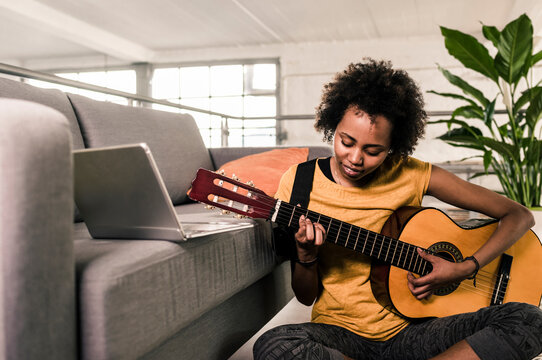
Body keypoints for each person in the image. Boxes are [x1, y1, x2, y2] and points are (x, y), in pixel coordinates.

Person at [253, 59, 542, 360]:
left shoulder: (412, 173)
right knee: (276, 345)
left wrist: (465, 266)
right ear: (332, 126)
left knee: (531, 320)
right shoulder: (299, 183)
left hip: (417, 332)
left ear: (393, 145)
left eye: (373, 150)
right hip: (342, 334)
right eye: (346, 141)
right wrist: (307, 257)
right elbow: (305, 296)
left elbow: (519, 215)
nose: (355, 158)